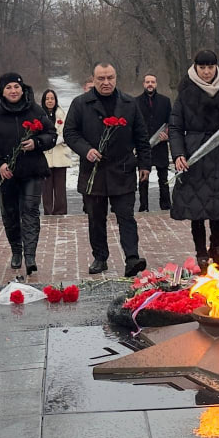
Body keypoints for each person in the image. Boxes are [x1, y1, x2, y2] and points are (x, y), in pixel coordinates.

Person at [63, 62, 151, 277]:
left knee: (126, 216)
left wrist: (145, 164)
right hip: (93, 172)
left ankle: (131, 258)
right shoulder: (81, 103)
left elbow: (141, 136)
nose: (106, 82)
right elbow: (70, 133)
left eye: (110, 78)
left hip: (123, 170)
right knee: (96, 217)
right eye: (101, 78)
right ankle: (100, 257)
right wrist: (87, 150)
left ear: (116, 78)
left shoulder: (129, 103)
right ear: (93, 79)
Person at [0, 73, 57, 274]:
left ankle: (30, 255)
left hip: (31, 170)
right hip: (5, 174)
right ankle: (16, 251)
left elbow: (51, 134)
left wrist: (37, 142)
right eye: (9, 87)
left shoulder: (35, 110)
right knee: (10, 214)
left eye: (16, 87)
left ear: (23, 89)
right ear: (2, 91)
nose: (13, 91)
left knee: (30, 210)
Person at [169, 50, 219, 267]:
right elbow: (175, 126)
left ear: (216, 67)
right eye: (202, 67)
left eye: (210, 67)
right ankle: (201, 250)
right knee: (196, 206)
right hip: (195, 155)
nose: (207, 72)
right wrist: (178, 154)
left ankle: (217, 245)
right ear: (195, 67)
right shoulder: (185, 92)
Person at [135, 73, 172, 212]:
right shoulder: (135, 102)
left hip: (161, 145)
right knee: (143, 178)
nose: (150, 84)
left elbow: (171, 122)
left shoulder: (165, 101)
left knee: (163, 178)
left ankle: (166, 205)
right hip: (144, 146)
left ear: (156, 84)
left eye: (152, 82)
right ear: (144, 84)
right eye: (147, 82)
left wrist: (167, 135)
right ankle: (143, 206)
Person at [40, 88, 71, 215]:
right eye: (47, 98)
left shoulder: (62, 114)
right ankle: (48, 211)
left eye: (52, 98)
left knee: (60, 187)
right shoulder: (39, 115)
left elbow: (66, 131)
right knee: (46, 188)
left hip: (60, 154)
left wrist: (57, 139)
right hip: (45, 155)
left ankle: (60, 211)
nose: (50, 101)